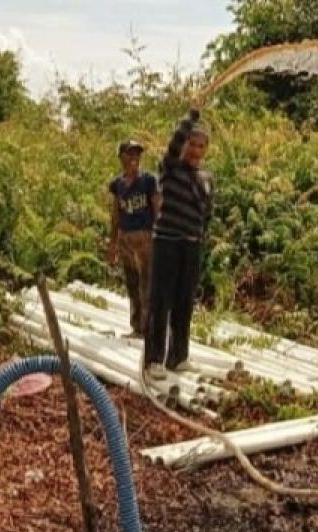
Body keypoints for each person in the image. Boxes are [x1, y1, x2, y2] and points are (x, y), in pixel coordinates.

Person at [143, 102, 215, 380]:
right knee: (162, 300)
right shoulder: (170, 168)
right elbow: (173, 145)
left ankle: (178, 356)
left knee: (185, 301)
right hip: (167, 242)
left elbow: (206, 213)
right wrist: (191, 117)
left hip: (191, 244)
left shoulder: (207, 178)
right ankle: (154, 360)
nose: (195, 150)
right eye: (191, 144)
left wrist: (200, 238)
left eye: (200, 146)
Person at [107, 139, 160, 337]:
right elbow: (115, 215)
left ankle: (148, 329)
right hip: (126, 239)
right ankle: (137, 326)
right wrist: (113, 244)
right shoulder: (118, 185)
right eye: (129, 154)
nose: (134, 159)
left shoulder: (148, 181)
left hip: (145, 238)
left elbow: (157, 207)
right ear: (121, 157)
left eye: (137, 154)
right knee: (132, 283)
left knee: (147, 284)